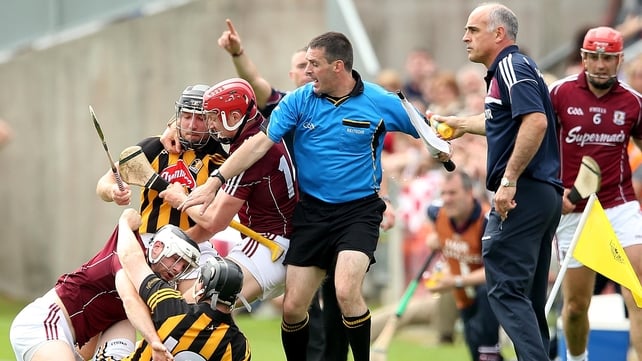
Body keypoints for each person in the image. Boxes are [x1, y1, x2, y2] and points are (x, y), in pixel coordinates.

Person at [179, 31, 449, 361]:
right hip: (312, 214)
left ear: (338, 66)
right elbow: (258, 144)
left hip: (359, 212)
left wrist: (443, 148)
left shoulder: (380, 101)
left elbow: (429, 131)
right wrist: (215, 181)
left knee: (346, 291)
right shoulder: (299, 100)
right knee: (293, 308)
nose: (308, 71)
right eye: (305, 64)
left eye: (314, 64)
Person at [433, 3, 563, 360]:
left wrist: (508, 181)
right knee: (529, 301)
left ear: (498, 34)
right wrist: (459, 124)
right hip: (541, 194)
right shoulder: (509, 70)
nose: (465, 37)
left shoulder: (510, 65)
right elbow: (502, 120)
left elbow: (534, 122)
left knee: (504, 290)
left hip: (524, 192)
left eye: (473, 30)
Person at [160, 77, 297, 310]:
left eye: (212, 118)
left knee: (195, 310)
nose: (209, 125)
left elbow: (214, 222)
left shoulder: (249, 153)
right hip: (279, 240)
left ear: (233, 117)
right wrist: (173, 128)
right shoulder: (257, 128)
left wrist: (180, 198)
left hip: (270, 243)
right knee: (206, 311)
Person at [549, 26, 642, 361]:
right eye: (595, 57)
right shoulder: (558, 94)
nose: (601, 64)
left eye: (609, 58)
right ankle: (577, 358)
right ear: (584, 58)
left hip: (619, 205)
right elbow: (532, 137)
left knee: (639, 291)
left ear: (619, 60)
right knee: (575, 307)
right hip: (574, 210)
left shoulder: (633, 103)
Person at [9, 211, 200, 361]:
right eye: (176, 259)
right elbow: (129, 300)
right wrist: (154, 341)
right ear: (157, 247)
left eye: (183, 266)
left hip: (69, 335)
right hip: (45, 322)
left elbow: (99, 323)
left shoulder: (150, 288)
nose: (177, 269)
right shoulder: (129, 253)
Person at [109, 208, 250, 361]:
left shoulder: (172, 305)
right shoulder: (239, 346)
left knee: (118, 320)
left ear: (203, 285)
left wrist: (124, 222)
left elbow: (131, 258)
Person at [425, 170, 502, 361]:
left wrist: (456, 280)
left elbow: (496, 272)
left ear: (469, 194)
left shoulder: (486, 222)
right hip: (463, 297)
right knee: (476, 353)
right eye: (443, 193)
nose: (446, 199)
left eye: (452, 193)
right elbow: (433, 224)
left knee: (487, 353)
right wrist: (434, 238)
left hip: (489, 296)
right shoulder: (436, 212)